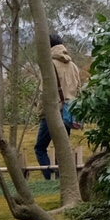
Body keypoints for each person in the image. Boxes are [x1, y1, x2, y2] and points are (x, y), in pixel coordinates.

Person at [35, 33, 88, 179]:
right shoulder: (73, 66)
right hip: (68, 112)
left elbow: (43, 92)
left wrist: (41, 112)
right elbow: (78, 88)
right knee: (62, 147)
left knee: (40, 148)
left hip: (52, 111)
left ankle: (50, 178)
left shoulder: (48, 65)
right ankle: (63, 178)